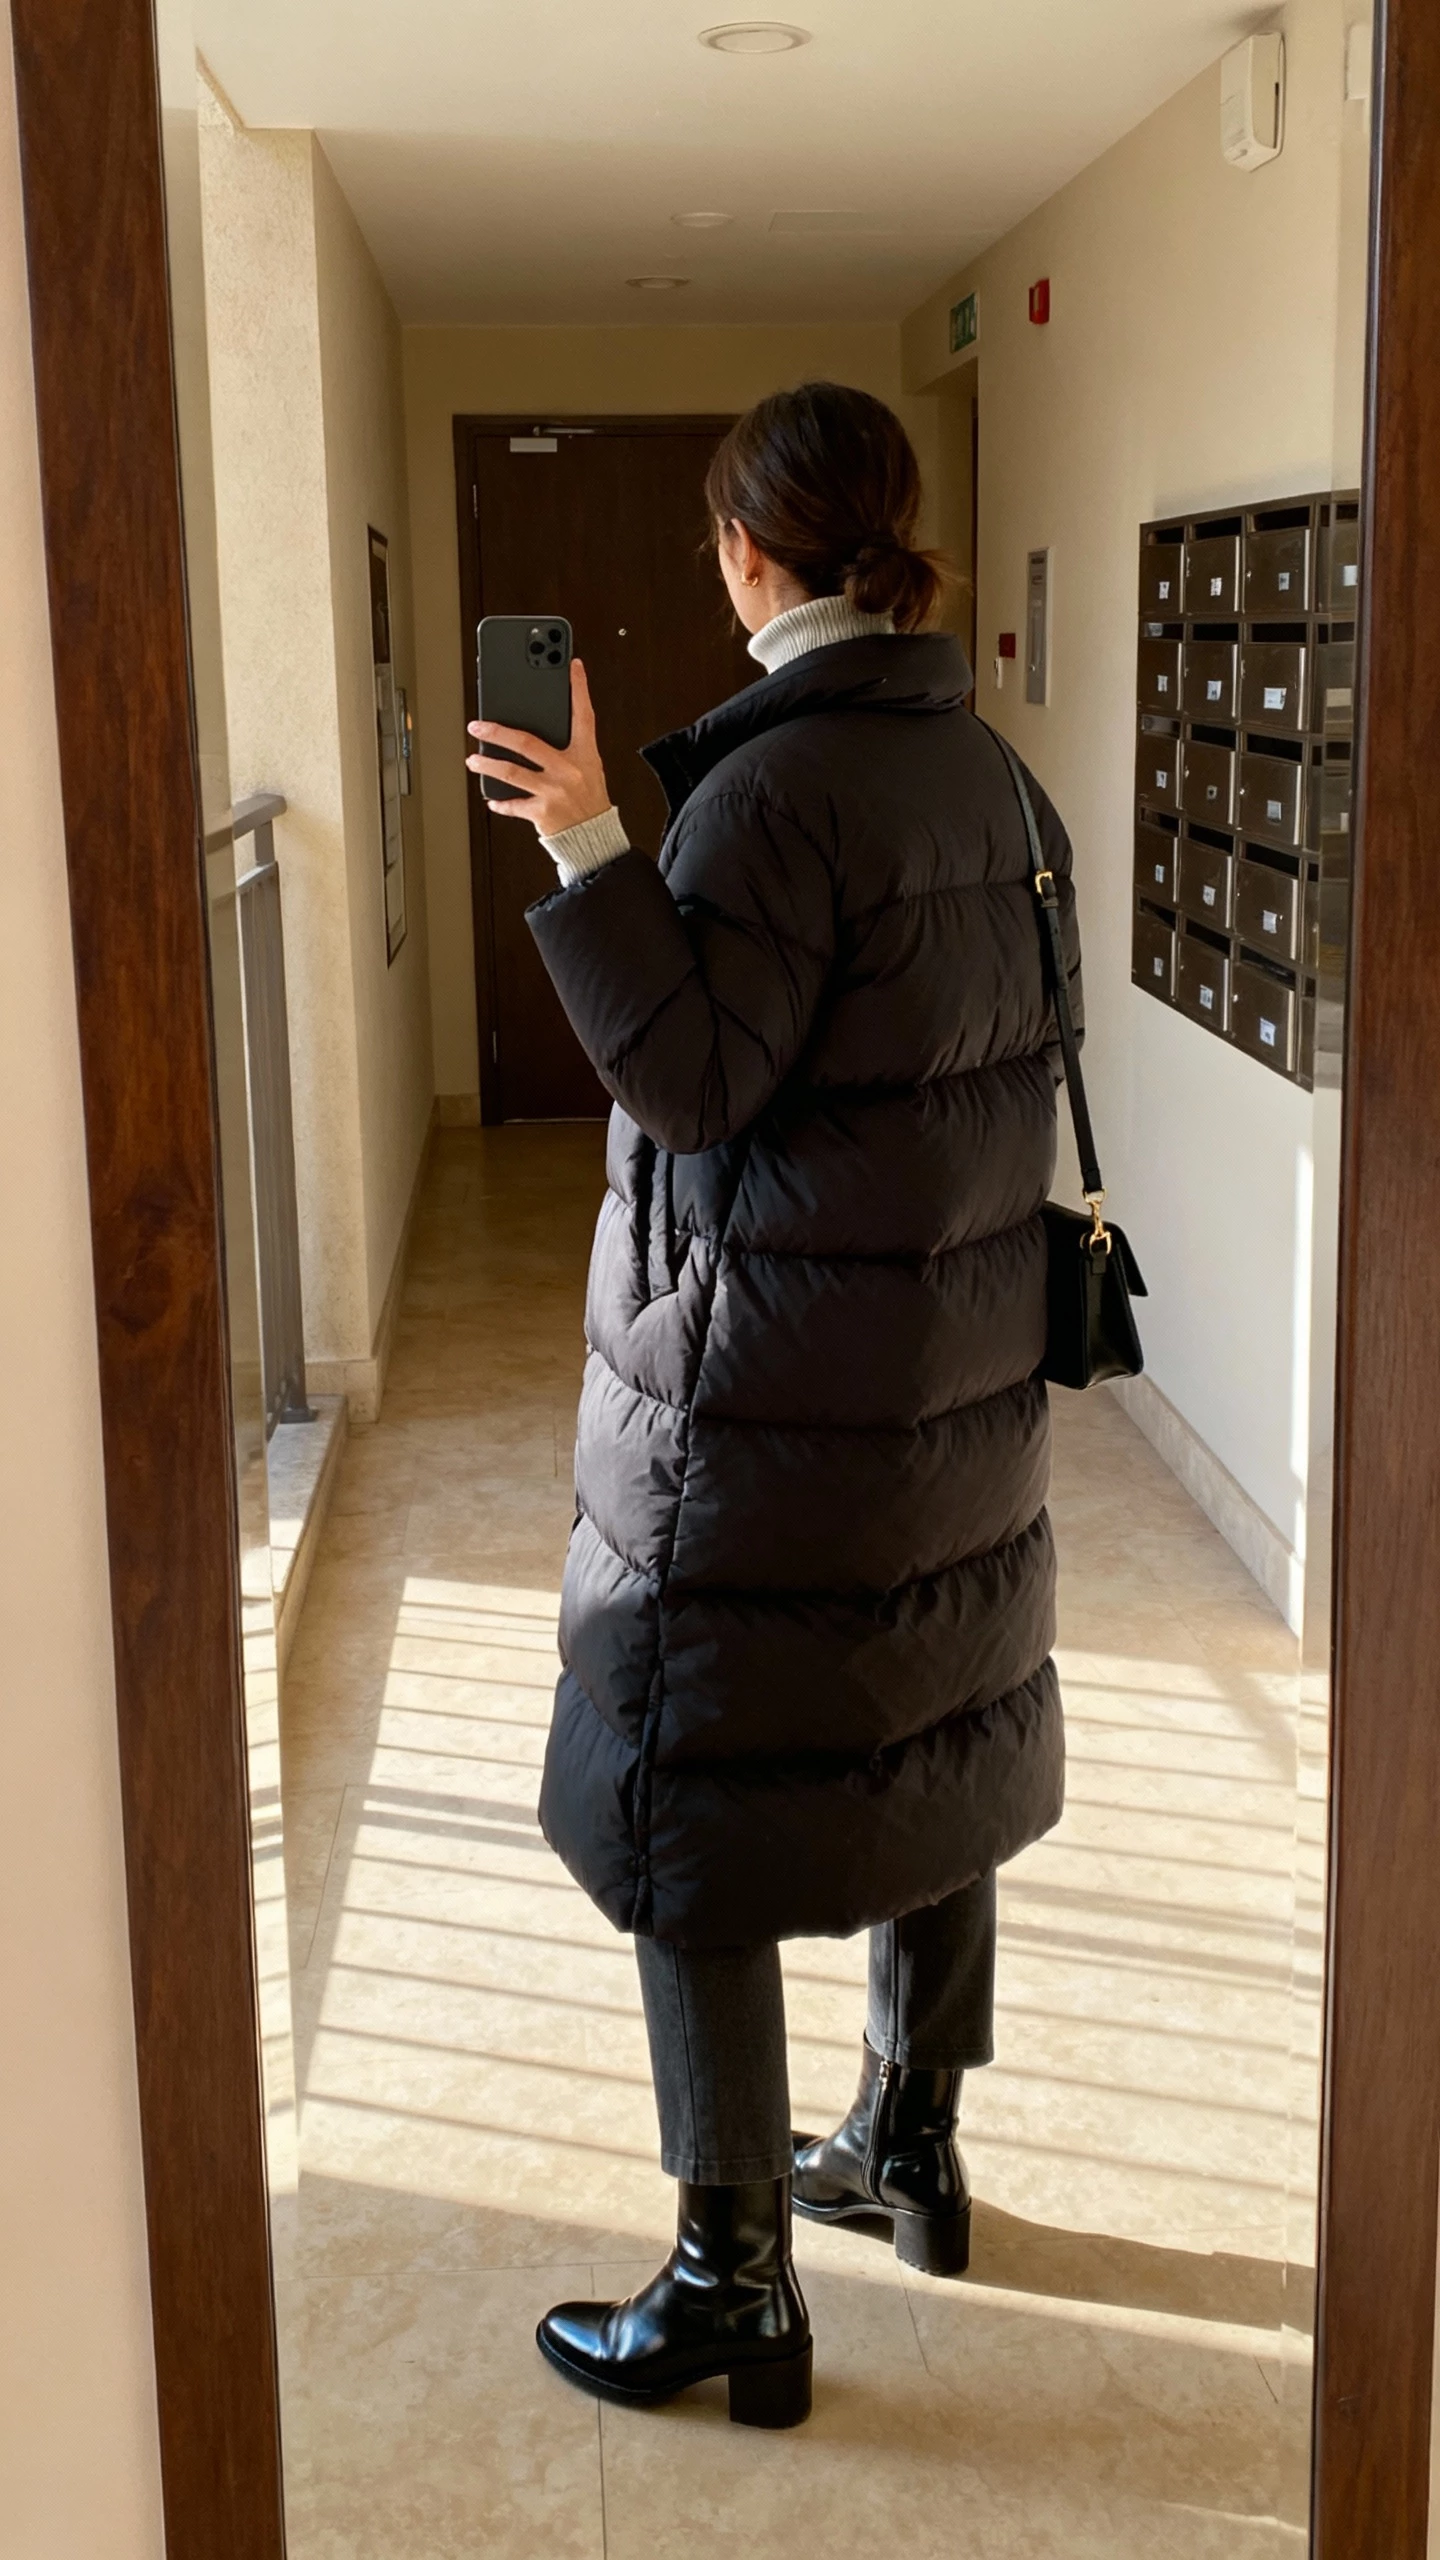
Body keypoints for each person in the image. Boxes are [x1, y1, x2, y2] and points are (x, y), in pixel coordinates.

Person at [466, 380, 1078, 2431]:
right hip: (952, 1371)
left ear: (748, 550)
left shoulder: (771, 791)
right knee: (928, 1715)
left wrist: (578, 838)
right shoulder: (984, 774)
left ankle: (732, 2275)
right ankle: (909, 2136)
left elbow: (694, 1078)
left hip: (777, 1384)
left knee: (693, 1771)